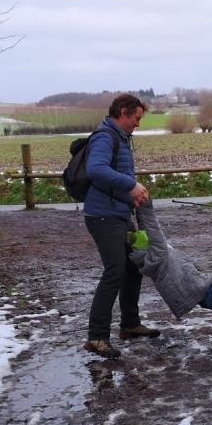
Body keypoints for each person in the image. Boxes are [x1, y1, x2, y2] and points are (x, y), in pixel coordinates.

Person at [82, 94, 156, 359]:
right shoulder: (105, 136)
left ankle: (129, 325)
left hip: (118, 212)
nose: (138, 124)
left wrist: (130, 197)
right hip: (102, 216)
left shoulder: (121, 138)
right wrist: (132, 186)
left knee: (132, 268)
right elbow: (96, 170)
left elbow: (112, 178)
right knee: (115, 271)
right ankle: (96, 337)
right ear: (123, 112)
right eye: (136, 118)